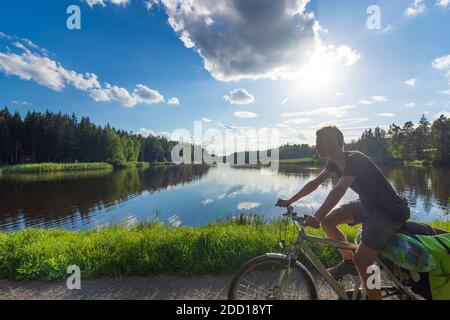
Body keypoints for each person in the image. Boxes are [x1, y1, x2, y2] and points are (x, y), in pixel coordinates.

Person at [276, 126, 410, 300]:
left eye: (319, 142)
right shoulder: (333, 162)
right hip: (368, 205)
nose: (315, 146)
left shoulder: (355, 159)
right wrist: (290, 201)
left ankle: (365, 278)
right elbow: (315, 183)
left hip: (387, 211)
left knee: (363, 260)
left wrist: (317, 216)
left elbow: (339, 189)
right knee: (329, 221)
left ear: (333, 143)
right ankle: (349, 263)